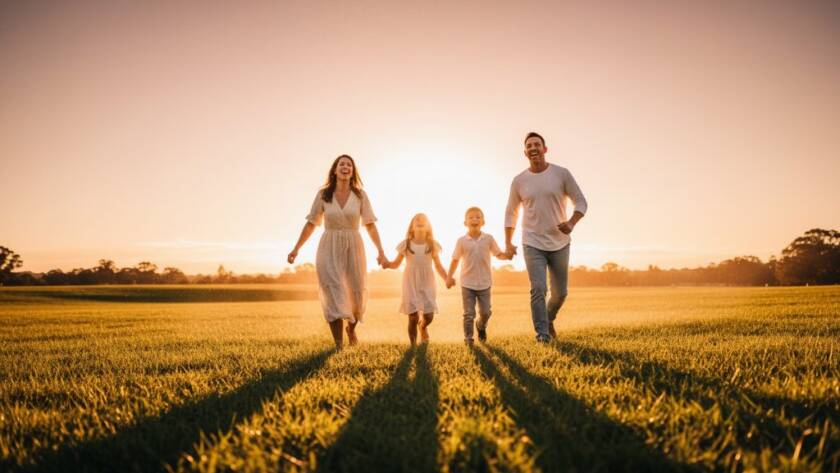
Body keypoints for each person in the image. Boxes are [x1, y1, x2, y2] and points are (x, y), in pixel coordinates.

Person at [287, 155, 387, 350]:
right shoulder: (324, 194)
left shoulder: (360, 196)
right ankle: (339, 345)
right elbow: (311, 223)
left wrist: (380, 250)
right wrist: (296, 248)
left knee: (355, 292)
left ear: (353, 171)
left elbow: (370, 225)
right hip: (329, 246)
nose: (345, 167)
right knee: (333, 290)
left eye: (349, 164)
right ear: (335, 170)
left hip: (354, 245)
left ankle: (351, 328)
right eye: (342, 164)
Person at [504, 132, 588, 343]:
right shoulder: (519, 181)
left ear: (544, 149)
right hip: (532, 242)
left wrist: (571, 223)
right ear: (525, 152)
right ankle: (542, 335)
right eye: (529, 145)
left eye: (537, 144)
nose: (533, 148)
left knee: (560, 294)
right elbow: (511, 212)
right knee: (539, 289)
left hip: (560, 242)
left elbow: (581, 202)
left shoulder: (561, 174)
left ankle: (548, 319)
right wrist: (508, 241)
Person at [446, 207, 510, 345]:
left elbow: (498, 254)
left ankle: (481, 326)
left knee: (486, 312)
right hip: (467, 283)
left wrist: (507, 255)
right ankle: (468, 339)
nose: (474, 219)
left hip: (485, 283)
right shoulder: (461, 241)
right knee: (468, 314)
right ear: (465, 223)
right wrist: (449, 276)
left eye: (477, 217)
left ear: (483, 222)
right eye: (471, 217)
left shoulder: (488, 239)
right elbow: (455, 260)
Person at [382, 213, 449, 345]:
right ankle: (413, 346)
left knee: (429, 315)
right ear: (411, 228)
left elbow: (439, 266)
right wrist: (387, 264)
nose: (420, 220)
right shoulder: (406, 244)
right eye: (417, 220)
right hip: (410, 282)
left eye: (424, 219)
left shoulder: (432, 245)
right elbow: (396, 264)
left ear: (428, 228)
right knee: (412, 317)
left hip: (428, 281)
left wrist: (447, 278)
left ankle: (423, 326)